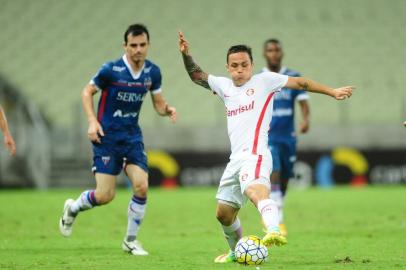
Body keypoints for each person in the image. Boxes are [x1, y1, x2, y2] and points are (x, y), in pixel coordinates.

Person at [178, 31, 353, 263]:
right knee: (223, 214)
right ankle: (237, 251)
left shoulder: (265, 81)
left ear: (252, 64)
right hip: (235, 160)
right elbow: (197, 75)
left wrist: (331, 91)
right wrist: (186, 55)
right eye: (235, 65)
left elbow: (301, 83)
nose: (240, 69)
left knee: (255, 191)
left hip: (256, 154)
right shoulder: (223, 86)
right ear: (228, 67)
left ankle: (274, 228)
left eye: (244, 64)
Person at [59, 24, 176, 256]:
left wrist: (168, 110)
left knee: (141, 185)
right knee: (105, 196)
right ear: (125, 46)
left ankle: (130, 240)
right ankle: (72, 208)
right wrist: (92, 121)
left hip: (132, 137)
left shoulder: (153, 72)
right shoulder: (110, 70)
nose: (138, 49)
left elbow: (159, 104)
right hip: (107, 138)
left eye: (142, 45)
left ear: (148, 45)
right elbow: (86, 92)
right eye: (133, 45)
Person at [262, 38, 310, 236]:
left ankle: (278, 207)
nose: (273, 53)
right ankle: (277, 220)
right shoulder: (260, 78)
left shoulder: (293, 76)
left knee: (285, 178)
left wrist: (306, 119)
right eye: (270, 50)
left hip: (288, 137)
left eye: (276, 50)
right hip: (269, 135)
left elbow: (303, 103)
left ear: (281, 53)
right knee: (275, 170)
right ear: (265, 54)